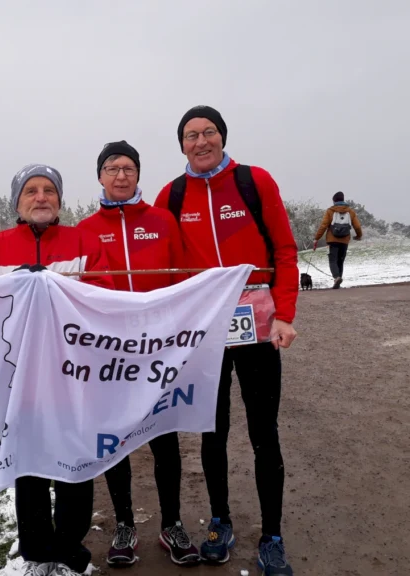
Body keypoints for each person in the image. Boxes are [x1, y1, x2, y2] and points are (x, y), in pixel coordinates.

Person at [153, 105, 299, 575]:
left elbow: (285, 250)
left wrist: (285, 315)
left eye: (209, 132)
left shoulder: (254, 182)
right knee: (212, 432)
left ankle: (272, 536)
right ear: (181, 145)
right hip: (206, 331)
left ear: (222, 136)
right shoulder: (172, 195)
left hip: (259, 328)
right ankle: (220, 522)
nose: (201, 141)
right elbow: (161, 265)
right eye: (191, 135)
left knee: (264, 433)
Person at [0, 163, 112, 576]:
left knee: (74, 465)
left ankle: (68, 552)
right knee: (28, 468)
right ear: (18, 202)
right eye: (31, 190)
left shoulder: (82, 241)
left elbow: (106, 297)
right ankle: (36, 553)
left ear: (59, 200)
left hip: (72, 378)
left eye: (49, 190)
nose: (41, 197)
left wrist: (57, 286)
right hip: (21, 383)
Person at [76, 141, 199, 567]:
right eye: (112, 168)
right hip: (112, 354)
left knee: (164, 438)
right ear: (100, 176)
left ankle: (172, 523)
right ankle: (125, 525)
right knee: (116, 441)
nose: (121, 175)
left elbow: (184, 278)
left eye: (128, 168)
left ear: (138, 174)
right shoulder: (85, 229)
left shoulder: (163, 221)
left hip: (158, 350)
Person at [313, 191, 363, 288]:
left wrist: (317, 238)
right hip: (344, 240)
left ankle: (336, 278)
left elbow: (323, 226)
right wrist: (358, 236)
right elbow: (357, 226)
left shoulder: (330, 211)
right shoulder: (350, 212)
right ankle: (338, 279)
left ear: (334, 201)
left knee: (333, 260)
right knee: (340, 260)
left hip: (332, 240)